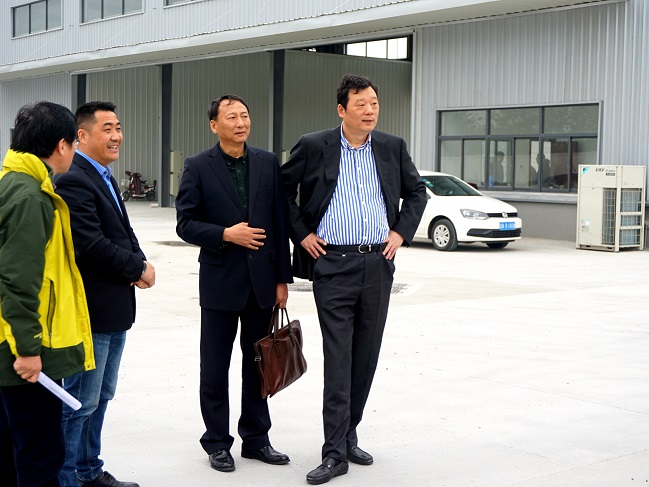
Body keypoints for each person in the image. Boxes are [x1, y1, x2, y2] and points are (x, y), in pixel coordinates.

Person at [281, 74, 427, 485]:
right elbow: (280, 193)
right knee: (339, 358)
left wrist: (400, 233)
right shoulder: (314, 146)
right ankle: (333, 453)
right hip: (333, 265)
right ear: (341, 110)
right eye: (360, 104)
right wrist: (302, 234)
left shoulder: (391, 147)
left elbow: (417, 192)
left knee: (365, 356)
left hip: (378, 264)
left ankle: (348, 435)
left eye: (374, 103)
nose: (369, 110)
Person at [175, 95, 293, 474]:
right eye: (232, 117)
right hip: (220, 285)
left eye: (244, 115)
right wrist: (225, 234)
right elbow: (185, 223)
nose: (241, 122)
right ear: (214, 125)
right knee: (214, 368)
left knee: (258, 365)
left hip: (262, 285)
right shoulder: (198, 166)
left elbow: (279, 223)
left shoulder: (267, 162)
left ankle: (256, 439)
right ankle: (217, 442)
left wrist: (282, 279)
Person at [54, 101, 155, 487]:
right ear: (81, 135)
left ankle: (89, 470)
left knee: (101, 395)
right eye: (107, 129)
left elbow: (123, 232)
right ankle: (65, 478)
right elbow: (90, 244)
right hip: (91, 311)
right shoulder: (74, 179)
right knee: (79, 401)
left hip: (114, 309)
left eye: (118, 127)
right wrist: (136, 269)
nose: (116, 136)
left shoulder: (104, 176)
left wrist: (139, 261)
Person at [0, 101, 95, 487]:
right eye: (74, 144)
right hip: (21, 351)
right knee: (40, 456)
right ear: (61, 145)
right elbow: (19, 280)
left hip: (12, 343)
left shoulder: (13, 182)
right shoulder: (30, 197)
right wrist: (27, 350)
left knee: (17, 447)